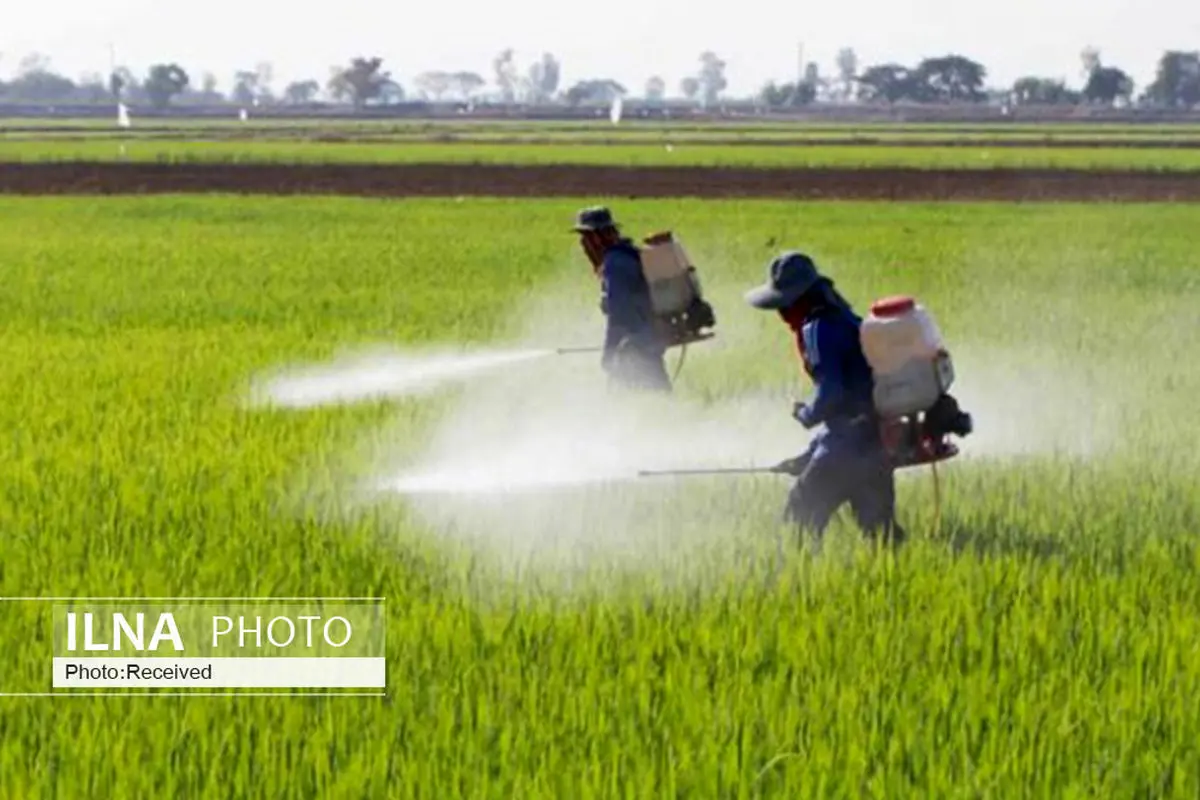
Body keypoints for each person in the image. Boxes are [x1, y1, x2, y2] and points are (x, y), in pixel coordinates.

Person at [745, 251, 906, 546]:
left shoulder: (817, 329)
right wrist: (809, 455)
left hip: (845, 448)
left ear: (796, 301)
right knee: (883, 537)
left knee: (798, 524)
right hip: (873, 445)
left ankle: (799, 585)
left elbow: (832, 396)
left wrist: (806, 414)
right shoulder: (846, 318)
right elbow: (851, 404)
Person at [572, 206, 672, 393]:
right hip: (647, 343)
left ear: (597, 237)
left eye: (585, 238)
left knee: (632, 404)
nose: (583, 245)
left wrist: (608, 356)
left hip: (634, 350)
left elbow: (619, 316)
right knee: (660, 399)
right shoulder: (627, 255)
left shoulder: (615, 264)